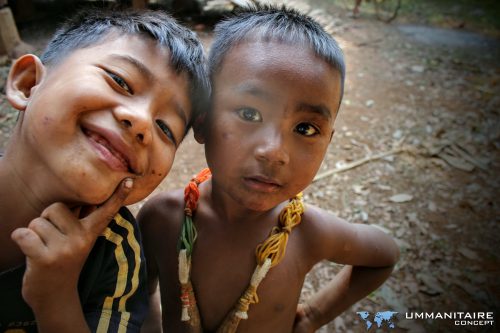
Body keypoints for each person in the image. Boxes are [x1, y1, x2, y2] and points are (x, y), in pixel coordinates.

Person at [138, 4, 399, 333]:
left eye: (305, 129)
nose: (274, 152)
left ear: (328, 141)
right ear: (202, 120)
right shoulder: (162, 220)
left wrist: (313, 317)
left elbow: (384, 255)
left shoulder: (308, 233)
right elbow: (140, 296)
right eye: (249, 114)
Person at [0, 8, 209, 333]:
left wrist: (55, 298)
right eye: (121, 81)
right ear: (28, 84)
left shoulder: (117, 253)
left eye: (165, 128)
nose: (141, 122)